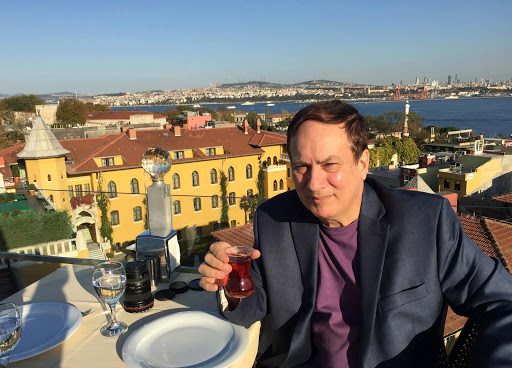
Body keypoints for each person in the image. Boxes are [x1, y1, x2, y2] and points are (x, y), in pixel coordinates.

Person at [199, 100, 512, 367]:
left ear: (363, 163)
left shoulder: (426, 221)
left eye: (329, 165)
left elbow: (502, 300)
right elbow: (253, 304)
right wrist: (229, 281)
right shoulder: (275, 218)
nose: (313, 183)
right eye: (301, 167)